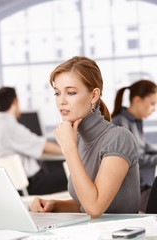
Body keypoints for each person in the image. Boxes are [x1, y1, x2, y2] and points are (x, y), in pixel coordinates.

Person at [30, 56, 140, 218]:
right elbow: (84, 202)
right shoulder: (79, 138)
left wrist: (69, 148)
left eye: (71, 93)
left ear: (94, 95)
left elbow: (95, 208)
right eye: (57, 93)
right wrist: (55, 205)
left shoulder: (119, 138)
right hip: (93, 231)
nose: (61, 101)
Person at [0, 87, 67, 195]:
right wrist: (70, 150)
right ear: (15, 101)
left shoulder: (0, 125)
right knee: (74, 174)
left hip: (12, 188)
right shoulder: (11, 127)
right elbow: (45, 147)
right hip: (32, 186)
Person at [111, 80, 157, 212]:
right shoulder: (120, 123)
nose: (154, 109)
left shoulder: (136, 121)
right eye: (152, 103)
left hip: (145, 185)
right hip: (135, 191)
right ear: (137, 100)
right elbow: (135, 159)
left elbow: (144, 147)